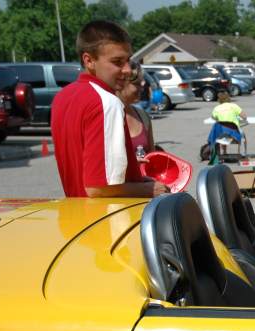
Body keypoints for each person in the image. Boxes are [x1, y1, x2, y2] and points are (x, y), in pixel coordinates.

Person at [51, 20, 168, 198]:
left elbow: (85, 165)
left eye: (128, 60)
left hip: (75, 215)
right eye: (117, 62)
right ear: (88, 60)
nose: (128, 70)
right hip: (109, 219)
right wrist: (149, 189)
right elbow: (98, 188)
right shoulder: (107, 102)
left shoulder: (63, 97)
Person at [118, 61, 154, 158]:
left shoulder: (143, 116)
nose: (142, 88)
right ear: (122, 84)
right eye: (137, 84)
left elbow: (153, 155)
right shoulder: (108, 116)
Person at [208, 91, 247, 160]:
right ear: (228, 98)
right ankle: (243, 154)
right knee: (243, 135)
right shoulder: (234, 106)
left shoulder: (216, 108)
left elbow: (213, 117)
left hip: (220, 135)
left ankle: (223, 152)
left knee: (222, 131)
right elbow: (244, 116)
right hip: (234, 135)